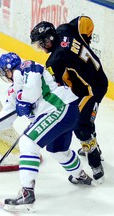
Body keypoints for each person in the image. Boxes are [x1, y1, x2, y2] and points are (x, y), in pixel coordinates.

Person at [0, 52, 92, 212]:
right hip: (63, 112)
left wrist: (24, 101)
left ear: (7, 70)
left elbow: (32, 90)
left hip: (60, 106)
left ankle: (27, 193)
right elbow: (7, 115)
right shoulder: (14, 90)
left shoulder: (28, 67)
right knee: (58, 150)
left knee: (28, 142)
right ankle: (80, 175)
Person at [30, 16, 108, 181]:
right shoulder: (64, 30)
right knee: (83, 118)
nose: (42, 48)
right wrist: (85, 42)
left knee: (80, 125)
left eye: (42, 44)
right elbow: (84, 21)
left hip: (92, 89)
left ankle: (94, 159)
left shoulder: (55, 60)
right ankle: (90, 140)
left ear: (50, 38)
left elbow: (51, 88)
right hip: (92, 81)